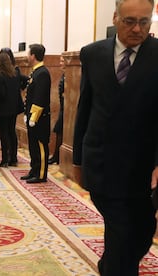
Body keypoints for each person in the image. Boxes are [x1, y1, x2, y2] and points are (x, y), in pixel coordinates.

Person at [73, 0, 158, 274]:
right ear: (115, 18)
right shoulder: (93, 54)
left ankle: (109, 266)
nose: (137, 28)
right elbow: (84, 107)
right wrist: (77, 159)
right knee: (120, 229)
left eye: (144, 22)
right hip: (102, 160)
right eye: (129, 21)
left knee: (144, 228)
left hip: (142, 165)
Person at [20, 44, 51, 183]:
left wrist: (33, 117)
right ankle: (34, 170)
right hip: (32, 117)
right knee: (33, 146)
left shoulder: (43, 73)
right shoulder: (36, 71)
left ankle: (41, 174)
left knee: (40, 146)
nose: (27, 56)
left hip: (39, 119)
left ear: (33, 56)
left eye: (28, 54)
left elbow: (40, 98)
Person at [0, 51, 26, 168]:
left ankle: (5, 159)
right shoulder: (15, 73)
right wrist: (20, 89)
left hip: (3, 108)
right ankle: (13, 158)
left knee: (4, 133)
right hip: (14, 107)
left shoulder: (1, 76)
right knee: (12, 132)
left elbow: (1, 94)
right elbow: (26, 80)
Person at [48, 56, 65, 165]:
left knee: (59, 130)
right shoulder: (64, 74)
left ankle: (56, 156)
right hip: (62, 107)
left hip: (66, 109)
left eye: (63, 61)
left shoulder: (68, 74)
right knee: (58, 130)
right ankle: (56, 156)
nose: (60, 63)